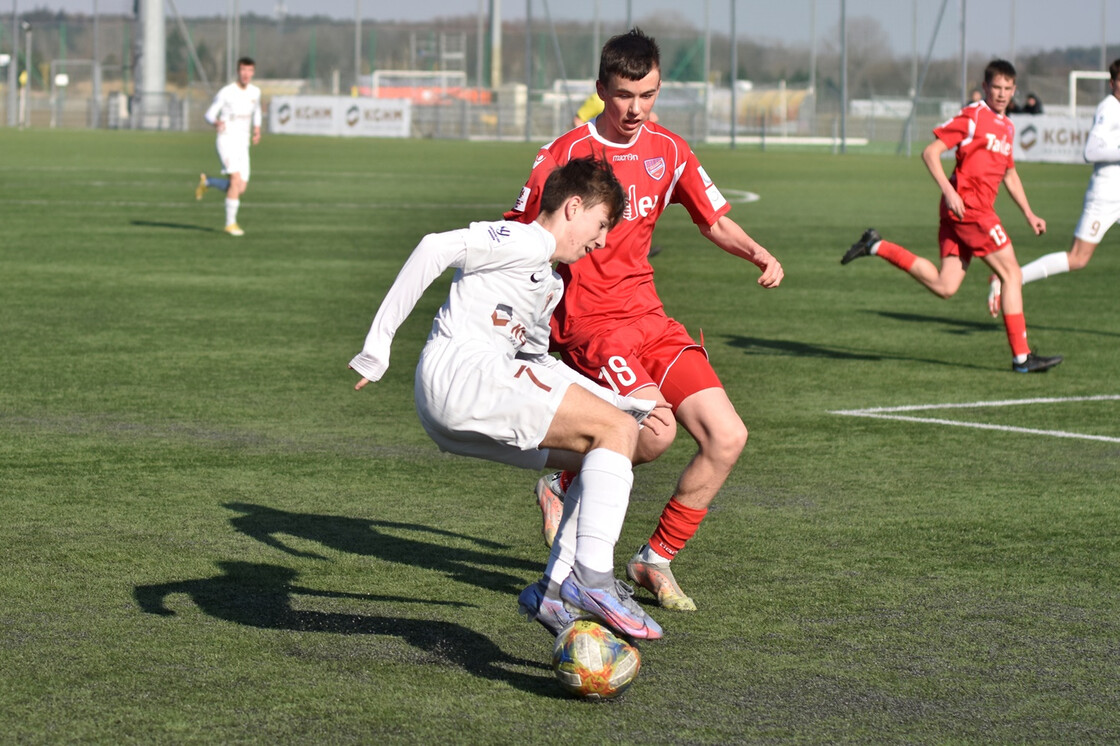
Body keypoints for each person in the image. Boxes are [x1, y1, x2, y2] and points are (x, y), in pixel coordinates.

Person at [506, 29, 784, 613]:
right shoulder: (565, 152)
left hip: (649, 316)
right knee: (654, 434)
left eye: (649, 95)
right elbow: (520, 231)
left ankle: (652, 560)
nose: (636, 109)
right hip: (590, 323)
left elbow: (714, 219)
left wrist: (756, 251)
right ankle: (561, 481)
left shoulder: (670, 151)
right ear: (602, 88)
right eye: (625, 95)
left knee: (727, 436)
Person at [349, 156, 673, 640]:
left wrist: (620, 402)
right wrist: (377, 347)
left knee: (608, 445)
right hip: (464, 373)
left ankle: (553, 589)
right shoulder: (523, 239)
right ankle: (592, 581)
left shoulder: (549, 279)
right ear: (573, 206)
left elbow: (538, 361)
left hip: (459, 400)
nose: (602, 240)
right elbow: (434, 246)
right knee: (617, 432)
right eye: (601, 224)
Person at [841, 59, 1062, 374]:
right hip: (970, 209)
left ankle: (876, 245)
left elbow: (1009, 174)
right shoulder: (973, 116)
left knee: (946, 286)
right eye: (995, 87)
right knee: (1011, 274)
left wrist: (1029, 213)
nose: (1001, 93)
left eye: (1007, 88)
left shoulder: (1008, 126)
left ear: (1014, 90)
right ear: (985, 87)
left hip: (963, 212)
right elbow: (930, 153)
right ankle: (1022, 357)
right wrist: (949, 191)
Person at [987, 60, 1120, 316]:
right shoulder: (1109, 108)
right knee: (1078, 258)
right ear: (1112, 83)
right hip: (1105, 196)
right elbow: (1090, 151)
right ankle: (1011, 278)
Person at [195, 57, 262, 237]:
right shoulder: (227, 92)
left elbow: (257, 112)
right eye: (243, 70)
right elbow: (209, 114)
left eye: (249, 70)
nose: (246, 74)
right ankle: (230, 224)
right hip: (226, 140)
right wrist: (216, 122)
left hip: (243, 143)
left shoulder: (255, 92)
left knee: (240, 188)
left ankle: (208, 182)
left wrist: (257, 129)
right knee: (235, 178)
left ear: (253, 72)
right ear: (238, 71)